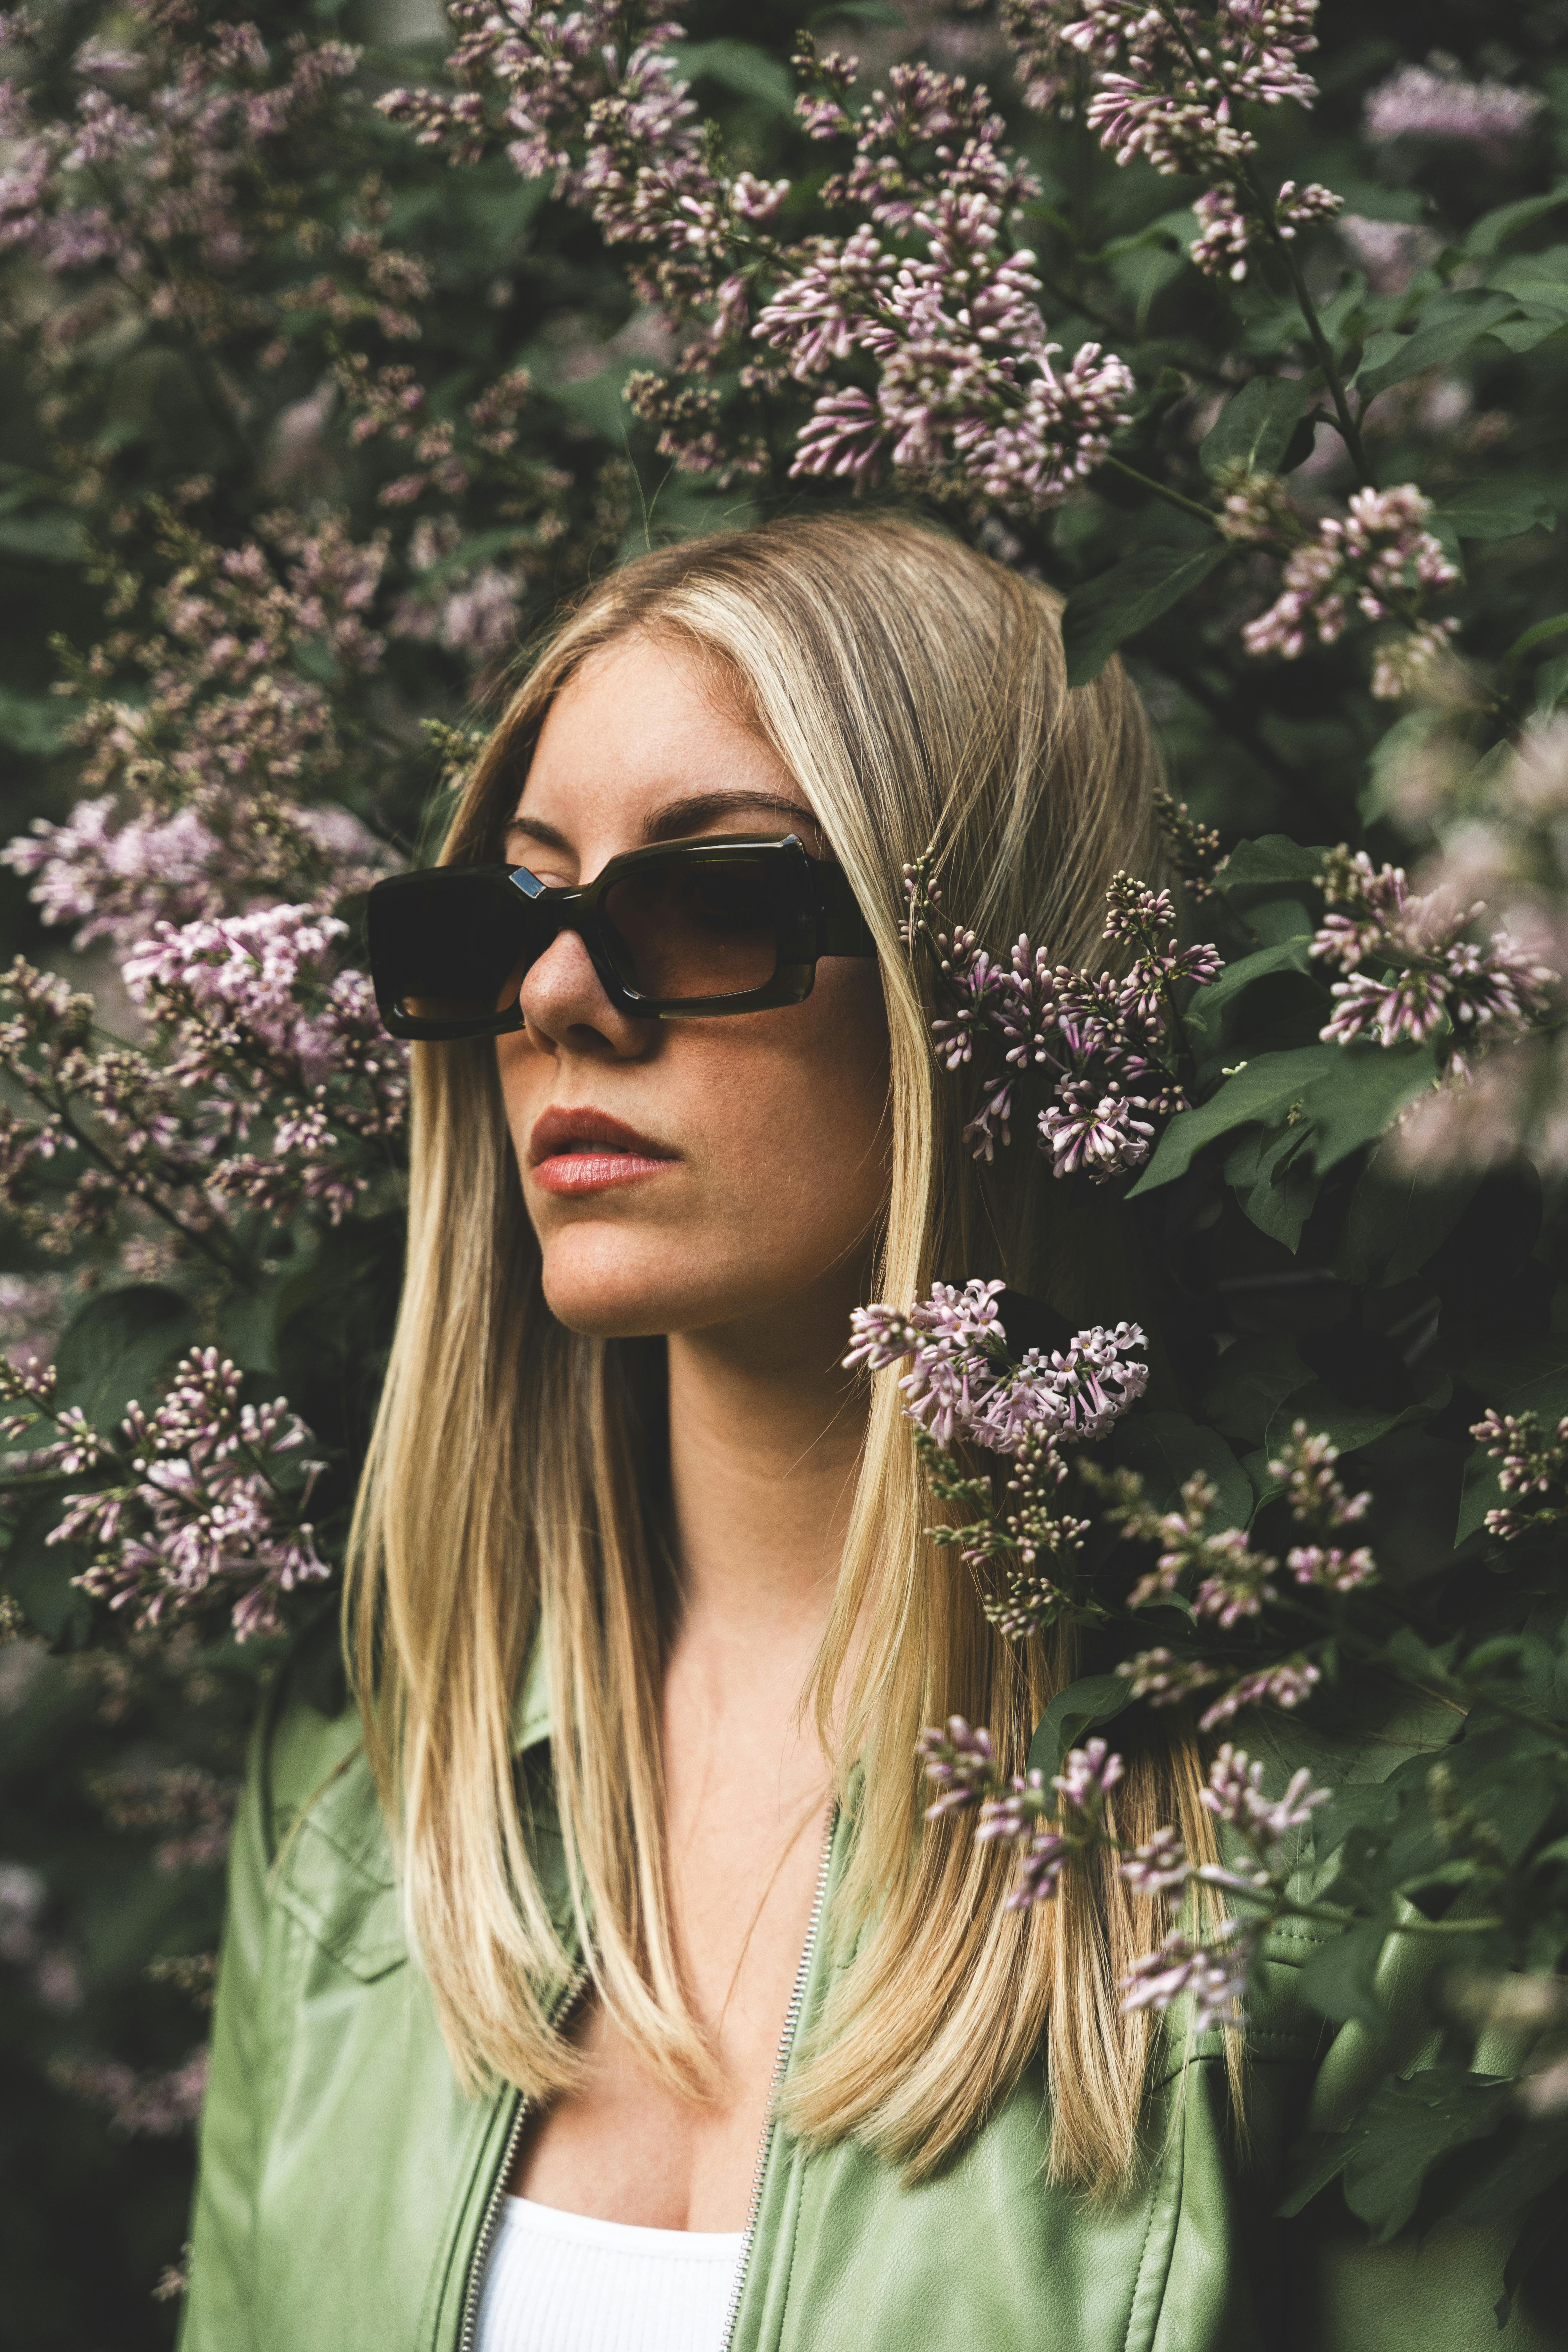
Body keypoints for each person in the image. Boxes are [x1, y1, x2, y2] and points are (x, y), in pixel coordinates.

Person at [179, 511, 1551, 2352]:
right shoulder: (368, 1792)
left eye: (710, 897)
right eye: (505, 919)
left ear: (988, 990)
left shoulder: (1332, 1851)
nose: (559, 996)